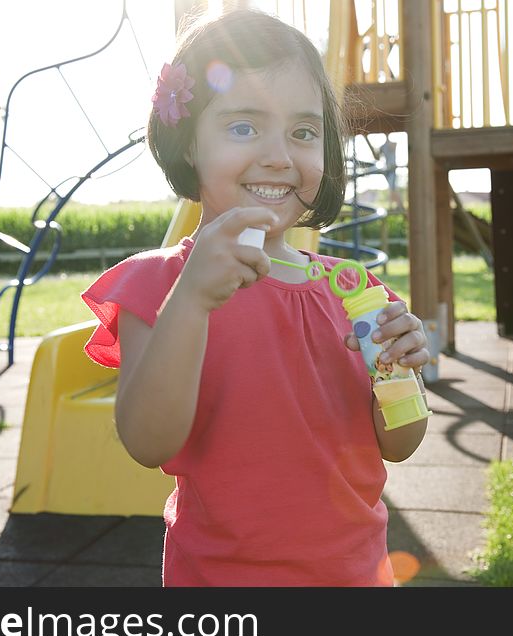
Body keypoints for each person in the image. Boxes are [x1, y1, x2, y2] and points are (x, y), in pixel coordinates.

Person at [81, 9, 430, 586]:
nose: (279, 155)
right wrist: (191, 300)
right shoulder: (162, 284)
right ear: (188, 143)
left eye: (303, 131)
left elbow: (400, 444)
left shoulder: (356, 292)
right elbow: (147, 442)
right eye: (244, 127)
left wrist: (401, 373)